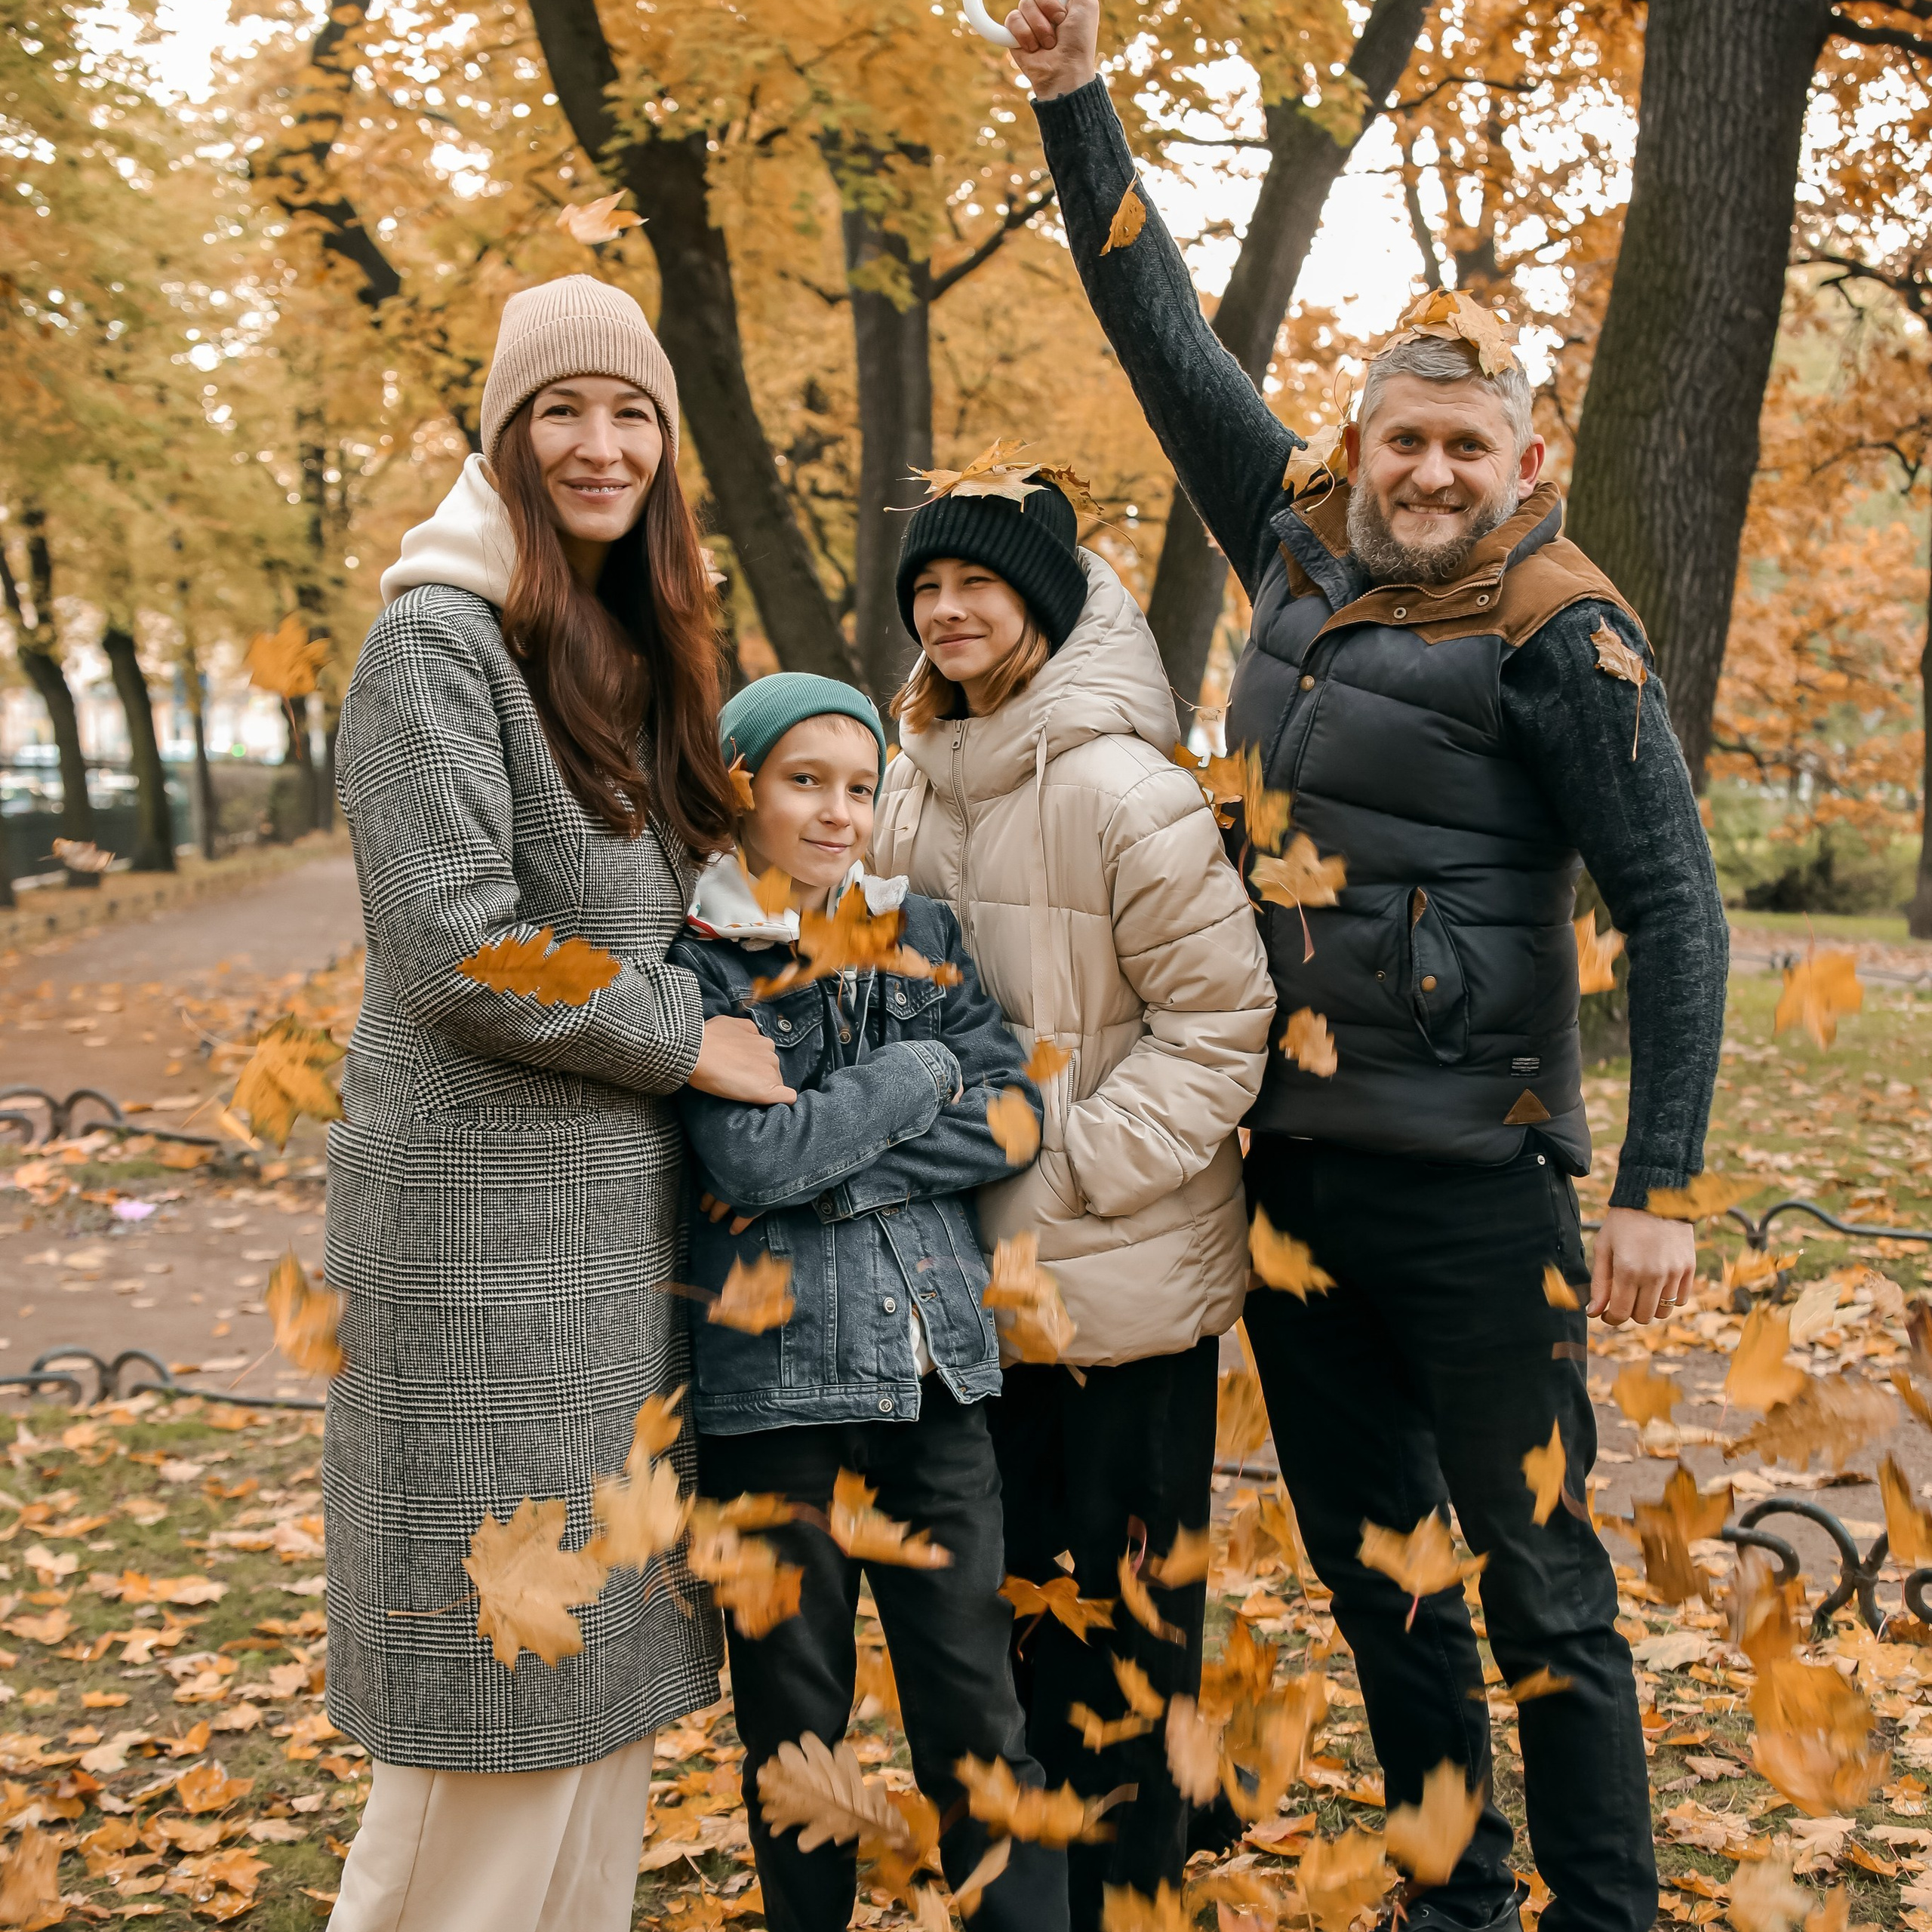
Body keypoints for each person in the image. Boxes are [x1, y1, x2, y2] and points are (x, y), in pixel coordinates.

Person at [1001, 8, 1730, 1932]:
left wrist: (1657, 1183)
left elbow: (1675, 903)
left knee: (1538, 1574)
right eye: (1399, 436)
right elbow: (1162, 339)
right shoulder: (1293, 541)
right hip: (1299, 1184)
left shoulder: (1561, 633)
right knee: (1380, 1576)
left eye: (1461, 446)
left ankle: (1602, 1907)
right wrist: (1079, 105)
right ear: (1359, 441)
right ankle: (1450, 1894)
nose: (1425, 470)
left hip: (1481, 1192)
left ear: (1522, 461)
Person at [324, 274, 792, 1932]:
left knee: (584, 1666)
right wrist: (687, 1039)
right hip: (476, 1228)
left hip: (607, 1224)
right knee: (491, 1682)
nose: (601, 444)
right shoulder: (434, 636)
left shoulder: (605, 633)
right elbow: (458, 942)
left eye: (632, 414)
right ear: (507, 436)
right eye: (561, 411)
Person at [870, 469, 1275, 1927]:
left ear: (1042, 603)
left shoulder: (1124, 789)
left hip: (1119, 1283)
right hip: (959, 1291)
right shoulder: (910, 779)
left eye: (977, 585)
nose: (947, 609)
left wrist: (1063, 1168)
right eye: (927, 589)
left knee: (1127, 1633)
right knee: (1005, 1627)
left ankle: (1132, 1894)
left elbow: (1222, 1030)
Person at [669, 672, 1069, 1932]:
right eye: (804, 783)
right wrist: (921, 1066)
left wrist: (826, 1168)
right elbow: (746, 1162)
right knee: (796, 1729)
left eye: (860, 786)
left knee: (980, 1717)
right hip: (772, 1399)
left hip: (936, 1379)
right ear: (740, 791)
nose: (839, 813)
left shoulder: (927, 934)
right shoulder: (697, 960)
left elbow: (1013, 1116)